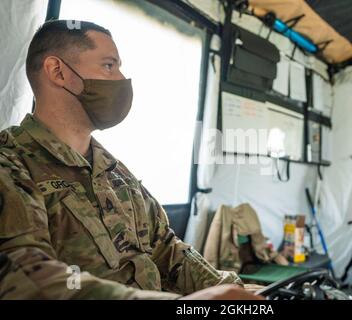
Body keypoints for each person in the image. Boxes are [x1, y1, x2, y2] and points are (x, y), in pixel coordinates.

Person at [0, 20, 261, 300]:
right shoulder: (11, 163)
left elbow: (167, 251)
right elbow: (24, 276)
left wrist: (238, 290)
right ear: (58, 71)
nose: (122, 79)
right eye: (109, 66)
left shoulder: (115, 172)